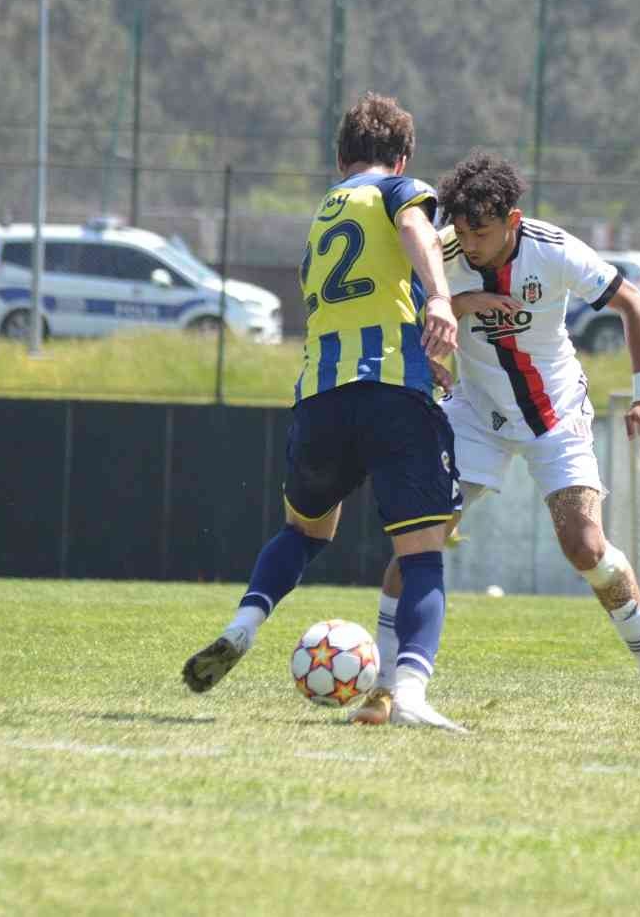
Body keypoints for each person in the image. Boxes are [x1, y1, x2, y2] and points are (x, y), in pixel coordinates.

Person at [352, 151, 640, 739]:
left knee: (584, 544)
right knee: (420, 538)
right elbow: (400, 313)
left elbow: (634, 306)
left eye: (481, 232)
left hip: (556, 416)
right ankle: (389, 686)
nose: (468, 244)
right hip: (475, 415)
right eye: (461, 231)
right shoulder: (441, 251)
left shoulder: (553, 249)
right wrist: (451, 316)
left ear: (512, 221)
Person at [180, 92, 467, 731]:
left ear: (340, 158)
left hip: (319, 398)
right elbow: (417, 230)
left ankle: (243, 625)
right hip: (392, 393)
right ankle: (411, 696)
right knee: (421, 554)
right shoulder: (401, 193)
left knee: (303, 532)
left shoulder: (322, 215)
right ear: (403, 158)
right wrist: (441, 301)